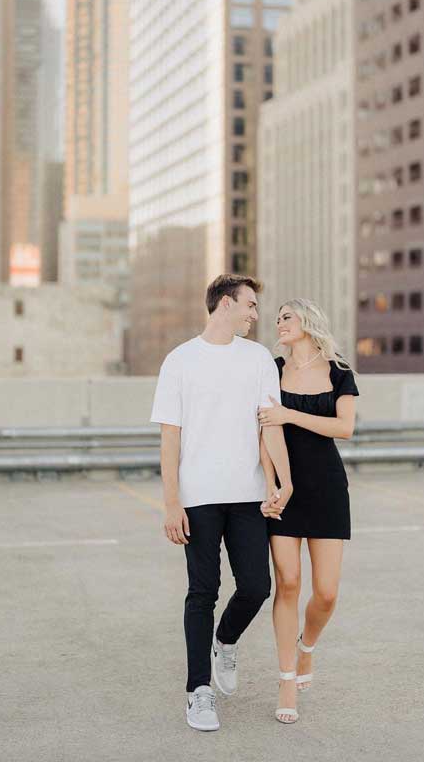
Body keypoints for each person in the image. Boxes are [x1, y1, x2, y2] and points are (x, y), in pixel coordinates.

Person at [150, 274, 293, 732]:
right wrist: (172, 503)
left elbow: (269, 427)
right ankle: (198, 693)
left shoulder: (258, 361)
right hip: (198, 497)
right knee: (202, 592)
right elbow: (169, 438)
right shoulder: (180, 361)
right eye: (250, 305)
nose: (256, 314)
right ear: (225, 304)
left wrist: (277, 483)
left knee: (256, 586)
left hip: (249, 494)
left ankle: (225, 641)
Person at [258, 298, 359, 724]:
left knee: (328, 591)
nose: (278, 323)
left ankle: (307, 648)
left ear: (308, 322)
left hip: (328, 488)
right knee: (288, 583)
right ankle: (285, 680)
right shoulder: (271, 370)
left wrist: (290, 412)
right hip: (284, 488)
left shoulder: (340, 372)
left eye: (287, 317)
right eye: (276, 318)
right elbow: (266, 429)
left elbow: (344, 428)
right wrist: (272, 486)